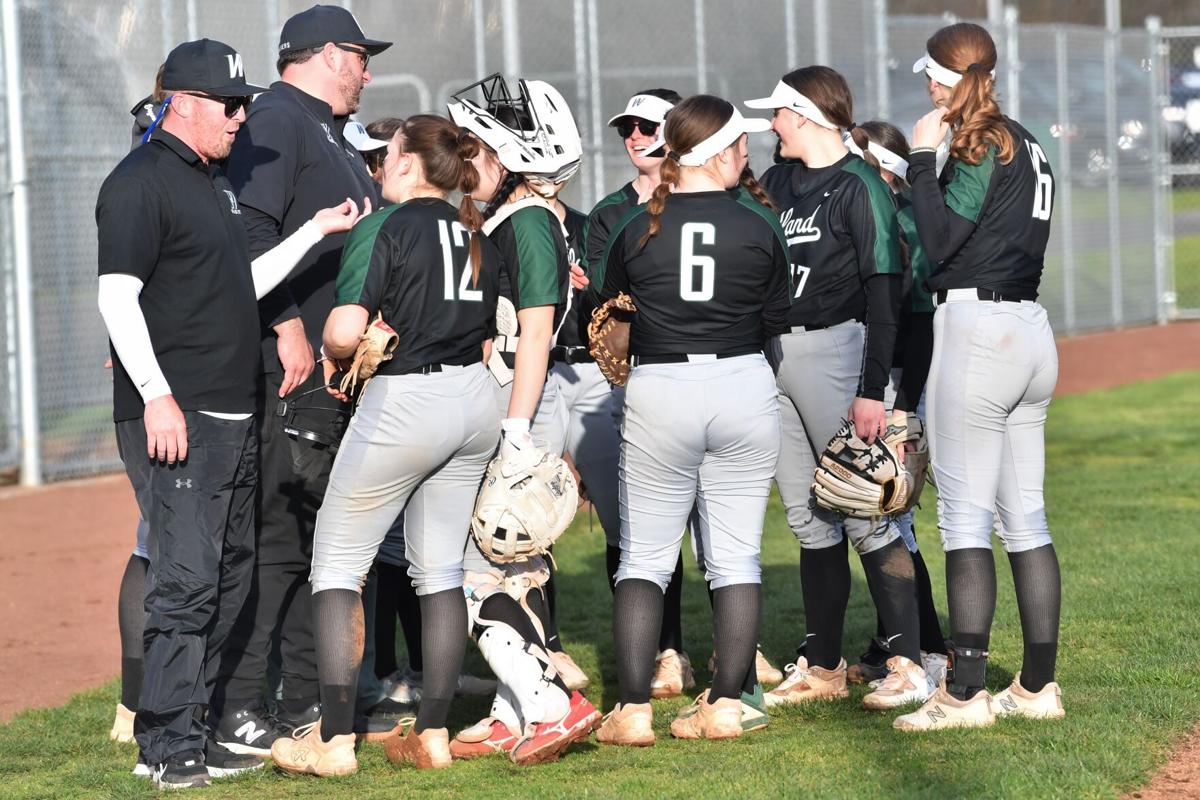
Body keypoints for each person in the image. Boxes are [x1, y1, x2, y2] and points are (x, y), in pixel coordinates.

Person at [96, 38, 364, 789]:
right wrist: (156, 397)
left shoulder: (211, 183)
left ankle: (204, 728)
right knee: (185, 583)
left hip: (233, 410)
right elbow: (116, 297)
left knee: (232, 574)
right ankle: (165, 745)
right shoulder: (138, 182)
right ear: (181, 103)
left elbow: (238, 284)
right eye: (229, 104)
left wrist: (314, 232)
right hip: (174, 414)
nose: (242, 116)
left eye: (245, 102)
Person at [269, 114, 503, 776]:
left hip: (409, 399)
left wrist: (338, 345)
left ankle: (336, 739)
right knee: (440, 570)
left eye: (392, 154)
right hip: (474, 396)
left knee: (338, 564)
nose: (386, 163)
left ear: (405, 164)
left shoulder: (386, 223)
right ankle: (431, 732)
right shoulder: (474, 224)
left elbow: (345, 331)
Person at [211, 3, 398, 754]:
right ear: (323, 54)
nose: (368, 69)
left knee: (320, 538)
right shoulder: (279, 118)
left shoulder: (327, 128)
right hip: (291, 366)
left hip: (335, 368)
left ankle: (302, 705)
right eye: (359, 55)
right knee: (279, 538)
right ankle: (241, 705)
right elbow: (248, 231)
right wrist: (287, 323)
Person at [591, 94, 790, 744]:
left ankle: (635, 711)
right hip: (742, 380)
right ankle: (725, 704)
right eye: (738, 146)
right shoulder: (760, 223)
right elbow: (773, 319)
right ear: (717, 152)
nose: (745, 155)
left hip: (663, 384)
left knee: (644, 559)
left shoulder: (637, 225)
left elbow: (608, 305)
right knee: (735, 558)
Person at [742, 67, 931, 712]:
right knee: (807, 514)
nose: (772, 125)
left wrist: (872, 387)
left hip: (837, 349)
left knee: (864, 504)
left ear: (806, 115)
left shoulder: (857, 186)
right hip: (778, 352)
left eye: (778, 115)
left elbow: (885, 293)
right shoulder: (780, 180)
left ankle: (907, 660)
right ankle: (822, 662)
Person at [894, 22, 1062, 731]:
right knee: (1025, 518)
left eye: (931, 77)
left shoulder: (974, 139)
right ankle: (1037, 685)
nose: (927, 89)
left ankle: (964, 692)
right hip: (1030, 330)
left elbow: (938, 241)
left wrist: (919, 159)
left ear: (948, 78)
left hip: (978, 329)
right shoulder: (1025, 136)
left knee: (965, 516)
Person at [443, 73, 600, 764]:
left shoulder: (529, 218)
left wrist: (515, 432)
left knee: (480, 571)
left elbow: (535, 331)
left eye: (472, 146)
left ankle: (548, 703)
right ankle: (513, 709)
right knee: (518, 568)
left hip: (523, 404)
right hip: (522, 400)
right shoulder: (522, 216)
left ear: (507, 154)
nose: (461, 161)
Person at [843, 120, 950, 687]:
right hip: (873, 378)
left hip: (899, 382)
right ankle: (893, 638)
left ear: (883, 165)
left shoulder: (903, 216)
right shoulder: (870, 209)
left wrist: (905, 406)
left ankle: (929, 645)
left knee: (892, 516)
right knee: (871, 510)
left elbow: (921, 320)